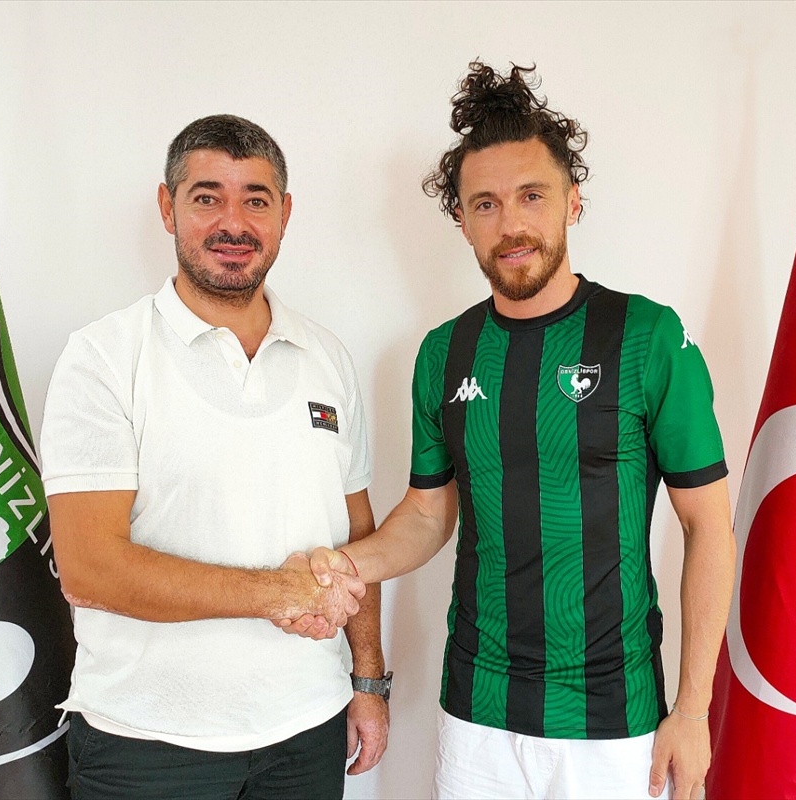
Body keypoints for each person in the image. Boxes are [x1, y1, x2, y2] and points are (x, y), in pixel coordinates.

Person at [290, 62, 735, 800]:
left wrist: (692, 709)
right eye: (486, 204)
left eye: (532, 196)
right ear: (462, 220)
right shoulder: (444, 353)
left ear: (572, 202)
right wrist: (338, 567)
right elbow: (427, 516)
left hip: (614, 720)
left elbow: (709, 526)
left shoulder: (648, 337)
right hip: (478, 714)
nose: (511, 224)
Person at [40, 114, 389, 800]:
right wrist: (277, 593)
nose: (234, 223)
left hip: (308, 731)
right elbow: (90, 568)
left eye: (256, 200)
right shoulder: (105, 357)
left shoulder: (327, 357)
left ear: (284, 214)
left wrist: (368, 679)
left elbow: (357, 535)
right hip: (147, 744)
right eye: (207, 197)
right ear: (167, 207)